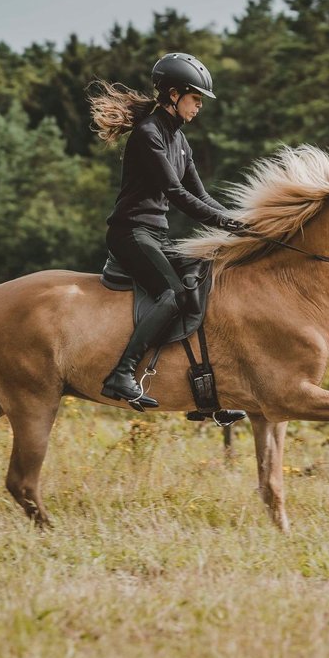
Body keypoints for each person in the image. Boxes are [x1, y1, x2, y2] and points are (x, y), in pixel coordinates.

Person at [89, 53, 244, 409]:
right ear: (173, 95)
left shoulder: (181, 141)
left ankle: (206, 389)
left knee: (200, 281)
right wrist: (226, 223)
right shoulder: (149, 134)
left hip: (157, 235)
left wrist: (242, 223)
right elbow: (176, 193)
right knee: (171, 296)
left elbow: (201, 195)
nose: (199, 107)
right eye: (195, 99)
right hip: (131, 232)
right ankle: (122, 374)